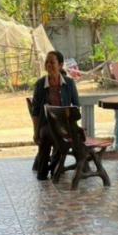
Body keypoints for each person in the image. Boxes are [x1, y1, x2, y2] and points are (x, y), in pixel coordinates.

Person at [29, 50, 79, 180]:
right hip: (46, 125)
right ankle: (49, 169)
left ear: (60, 65)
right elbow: (35, 112)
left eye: (52, 62)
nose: (49, 65)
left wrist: (69, 114)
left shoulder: (69, 83)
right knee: (50, 134)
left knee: (62, 134)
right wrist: (36, 132)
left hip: (65, 125)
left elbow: (76, 106)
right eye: (47, 62)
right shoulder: (40, 84)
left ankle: (52, 169)